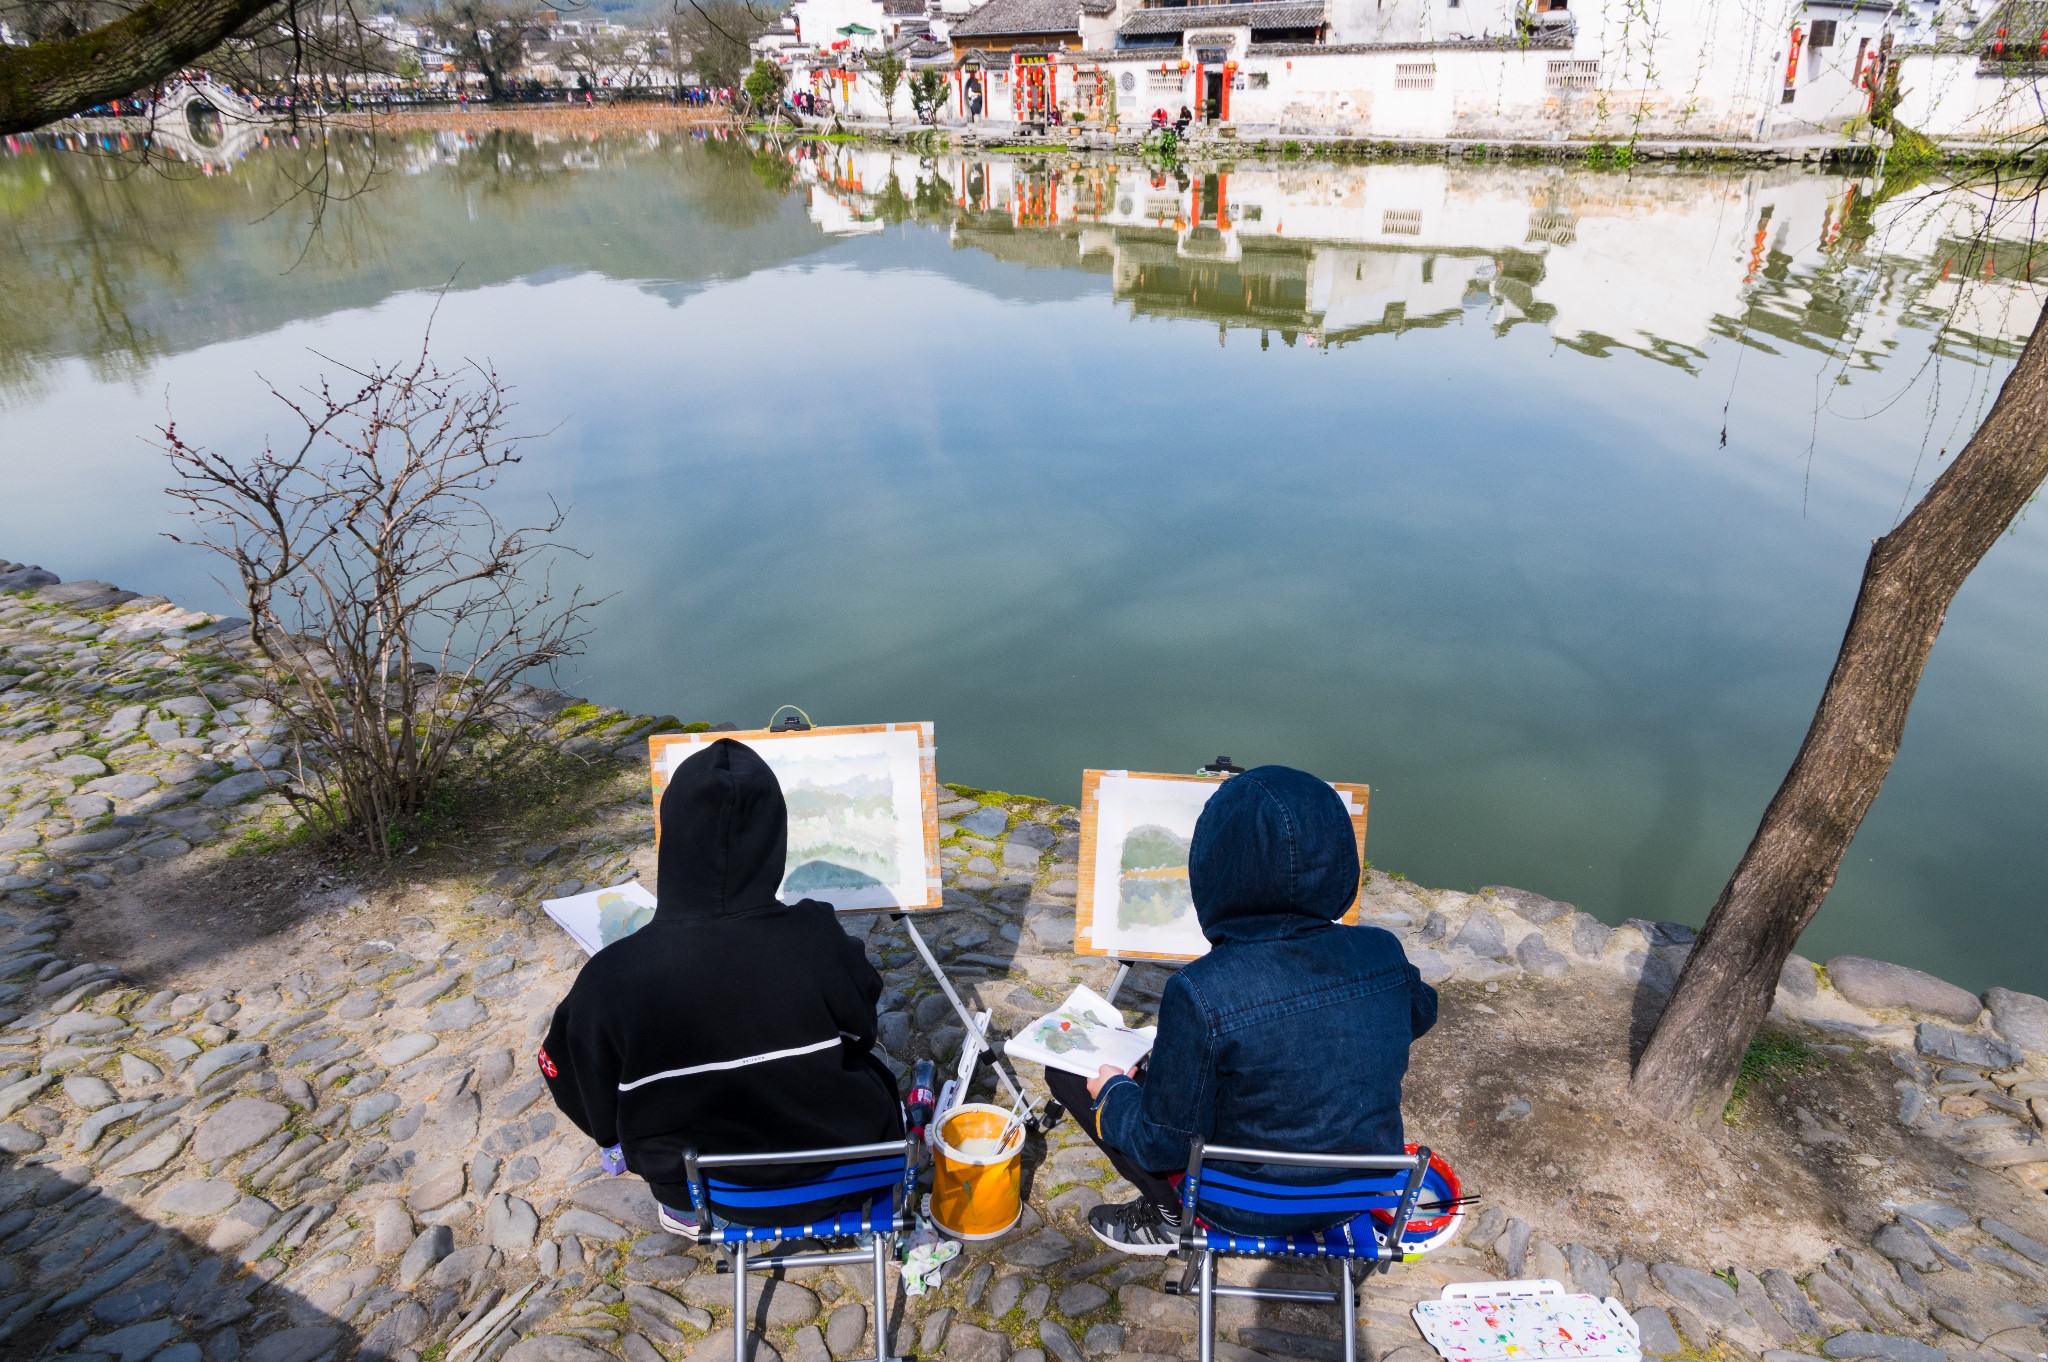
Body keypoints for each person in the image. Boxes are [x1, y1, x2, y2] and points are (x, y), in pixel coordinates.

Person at [1043, 765, 1438, 1255]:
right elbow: (1421, 1012)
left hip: (1244, 1205)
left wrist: (1114, 1093)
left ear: (1214, 868)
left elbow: (1161, 1142)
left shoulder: (1202, 990)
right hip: (1360, 1189)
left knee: (1069, 1074)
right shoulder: (1383, 952)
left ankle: (1171, 1218)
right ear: (1339, 860)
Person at [538, 738, 904, 1231]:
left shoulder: (610, 977)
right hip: (843, 1174)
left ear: (673, 838)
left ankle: (683, 1214)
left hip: (705, 1191)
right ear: (775, 837)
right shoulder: (819, 938)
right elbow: (862, 1036)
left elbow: (577, 1088)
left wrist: (618, 1137)